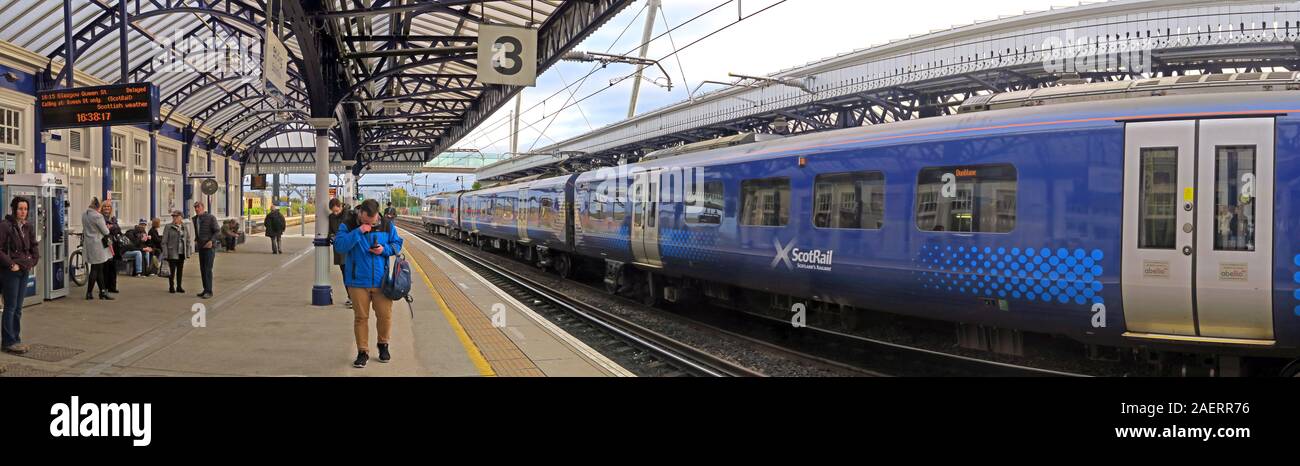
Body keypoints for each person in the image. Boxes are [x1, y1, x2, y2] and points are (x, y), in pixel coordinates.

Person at [334, 199, 404, 368]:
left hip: (381, 282)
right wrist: (358, 231)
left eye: (372, 223)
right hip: (357, 281)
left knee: (385, 316)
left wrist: (383, 250)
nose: (369, 225)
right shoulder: (349, 225)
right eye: (366, 221)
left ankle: (383, 345)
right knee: (361, 318)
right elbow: (340, 246)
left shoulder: (387, 225)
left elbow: (397, 244)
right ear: (361, 213)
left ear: (377, 216)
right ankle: (362, 351)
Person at [0, 197, 40, 354]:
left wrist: (33, 262)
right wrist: (11, 264)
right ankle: (8, 342)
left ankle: (16, 338)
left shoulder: (28, 226)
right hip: (11, 272)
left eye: (25, 209)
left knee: (18, 308)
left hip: (24, 270)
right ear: (13, 209)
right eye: (20, 208)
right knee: (10, 307)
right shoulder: (5, 226)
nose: (23, 212)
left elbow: (34, 246)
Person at [82, 198, 113, 300]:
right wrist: (108, 228)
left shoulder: (85, 215)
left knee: (98, 268)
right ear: (98, 207)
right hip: (97, 245)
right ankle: (89, 292)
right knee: (95, 269)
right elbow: (105, 231)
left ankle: (102, 291)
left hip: (88, 243)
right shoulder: (98, 216)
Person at [327, 199, 352, 308]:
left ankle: (354, 297)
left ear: (341, 206)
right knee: (345, 274)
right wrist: (332, 236)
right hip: (340, 249)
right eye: (333, 211)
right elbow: (330, 231)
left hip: (350, 248)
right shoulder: (331, 217)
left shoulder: (349, 215)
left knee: (351, 273)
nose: (335, 213)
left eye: (337, 211)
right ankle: (350, 297)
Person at [192, 201, 220, 299]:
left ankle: (209, 291)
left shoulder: (211, 218)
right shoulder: (195, 219)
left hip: (209, 247)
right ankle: (205, 289)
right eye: (195, 207)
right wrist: (196, 239)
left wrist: (211, 241)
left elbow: (217, 231)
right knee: (202, 269)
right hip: (201, 247)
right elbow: (198, 231)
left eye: (198, 207)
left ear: (203, 207)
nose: (196, 209)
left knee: (208, 269)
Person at [159, 210, 189, 294]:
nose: (174, 218)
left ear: (181, 217)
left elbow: (188, 239)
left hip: (181, 252)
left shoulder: (184, 226)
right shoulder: (168, 227)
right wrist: (165, 253)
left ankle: (179, 286)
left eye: (176, 216)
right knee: (172, 271)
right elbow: (164, 242)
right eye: (173, 216)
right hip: (172, 252)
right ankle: (171, 286)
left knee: (180, 270)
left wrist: (188, 252)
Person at [101, 201, 124, 294]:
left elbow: (118, 228)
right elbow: (103, 229)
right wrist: (110, 227)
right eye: (105, 206)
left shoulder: (113, 218)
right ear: (102, 208)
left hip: (113, 244)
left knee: (113, 266)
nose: (107, 208)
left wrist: (111, 227)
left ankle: (112, 286)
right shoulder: (100, 217)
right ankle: (105, 286)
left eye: (108, 207)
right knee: (105, 266)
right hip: (105, 244)